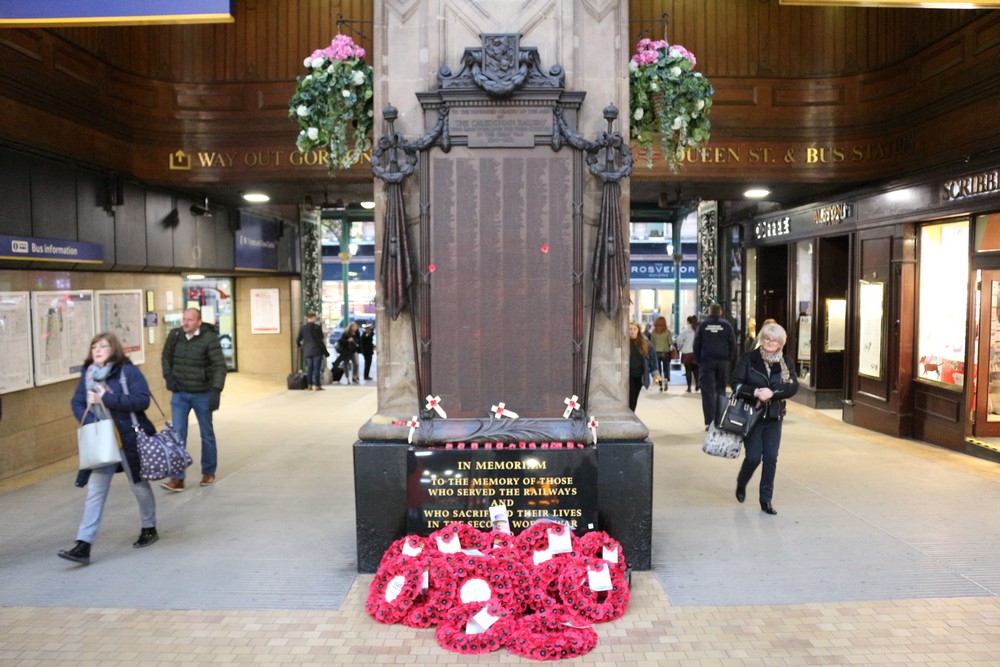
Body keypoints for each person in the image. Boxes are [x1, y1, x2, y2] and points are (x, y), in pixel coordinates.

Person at [59, 332, 159, 564]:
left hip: (127, 437)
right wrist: (90, 422)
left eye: (103, 346)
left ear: (113, 349)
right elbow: (77, 402)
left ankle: (149, 527)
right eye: (94, 346)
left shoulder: (127, 371)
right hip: (101, 439)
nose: (97, 350)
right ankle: (83, 544)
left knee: (138, 484)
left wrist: (108, 398)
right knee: (95, 490)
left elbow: (142, 400)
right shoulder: (88, 374)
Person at [730, 321, 799, 515]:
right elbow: (735, 383)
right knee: (753, 457)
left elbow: (792, 387)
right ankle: (741, 482)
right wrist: (755, 392)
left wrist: (773, 392)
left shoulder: (786, 363)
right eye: (767, 339)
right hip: (752, 416)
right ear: (761, 339)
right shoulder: (749, 358)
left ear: (781, 343)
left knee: (771, 458)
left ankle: (765, 500)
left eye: (775, 340)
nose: (770, 343)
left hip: (774, 417)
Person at [161, 308, 227, 491]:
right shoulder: (175, 335)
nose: (185, 323)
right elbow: (166, 357)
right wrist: (169, 377)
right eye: (184, 319)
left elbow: (219, 365)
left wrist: (216, 390)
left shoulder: (209, 338)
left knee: (206, 433)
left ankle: (208, 471)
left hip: (202, 393)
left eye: (190, 320)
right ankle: (177, 478)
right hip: (180, 394)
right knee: (178, 435)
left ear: (198, 322)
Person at [693, 303, 739, 430]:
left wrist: (699, 360)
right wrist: (729, 359)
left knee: (707, 392)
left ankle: (710, 421)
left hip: (707, 361)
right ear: (720, 313)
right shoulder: (727, 325)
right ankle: (721, 420)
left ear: (709, 312)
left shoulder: (703, 325)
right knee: (721, 391)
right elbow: (733, 344)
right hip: (722, 362)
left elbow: (696, 344)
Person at [627, 320, 661, 411]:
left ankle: (631, 415)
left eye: (634, 329)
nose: (632, 331)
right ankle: (630, 415)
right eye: (630, 329)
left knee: (633, 399)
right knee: (631, 398)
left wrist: (656, 374)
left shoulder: (646, 343)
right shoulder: (624, 342)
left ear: (638, 330)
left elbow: (653, 359)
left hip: (640, 375)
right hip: (628, 375)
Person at [296, 312, 329, 391]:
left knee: (309, 369)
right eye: (315, 317)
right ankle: (317, 385)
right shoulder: (317, 327)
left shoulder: (302, 328)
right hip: (317, 350)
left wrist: (301, 346)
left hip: (307, 350)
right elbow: (321, 338)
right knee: (316, 369)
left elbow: (298, 339)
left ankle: (309, 385)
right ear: (313, 317)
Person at [675, 315, 700, 392]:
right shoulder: (698, 331)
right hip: (695, 353)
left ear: (688, 322)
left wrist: (680, 348)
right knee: (696, 370)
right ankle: (697, 384)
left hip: (686, 353)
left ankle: (689, 387)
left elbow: (679, 341)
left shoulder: (684, 331)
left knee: (688, 370)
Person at [649, 316, 673, 392]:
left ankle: (660, 385)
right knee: (666, 369)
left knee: (658, 370)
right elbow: (670, 342)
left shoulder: (653, 332)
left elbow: (651, 344)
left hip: (656, 353)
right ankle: (666, 382)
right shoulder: (667, 332)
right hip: (665, 352)